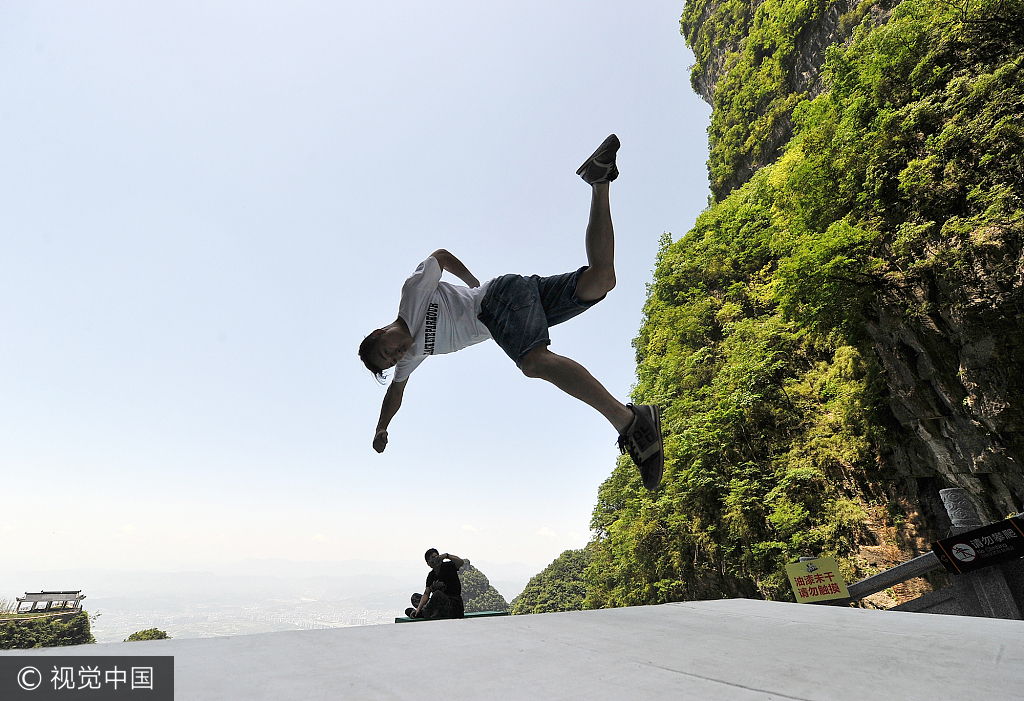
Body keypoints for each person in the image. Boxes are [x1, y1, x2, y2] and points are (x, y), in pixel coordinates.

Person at [358, 135, 663, 490]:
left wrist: (472, 281)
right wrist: (382, 427)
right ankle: (599, 180)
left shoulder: (411, 295)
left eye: (387, 350)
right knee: (600, 279)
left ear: (380, 332)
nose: (397, 354)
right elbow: (394, 394)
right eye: (392, 360)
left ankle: (630, 422)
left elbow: (439, 256)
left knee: (533, 362)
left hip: (495, 300)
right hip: (515, 302)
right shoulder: (411, 354)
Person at [407, 549, 466, 619]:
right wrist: (418, 609)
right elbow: (426, 593)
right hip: (437, 607)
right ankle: (423, 612)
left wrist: (446, 556)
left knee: (437, 594)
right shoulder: (431, 576)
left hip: (453, 607)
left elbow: (461, 563)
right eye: (431, 559)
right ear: (428, 563)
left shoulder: (448, 567)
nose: (434, 560)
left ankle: (425, 613)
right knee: (415, 598)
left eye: (435, 557)